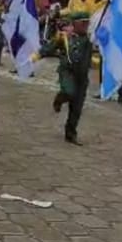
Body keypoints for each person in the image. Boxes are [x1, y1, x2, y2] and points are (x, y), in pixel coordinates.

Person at [40, 10, 93, 145]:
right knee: (68, 91)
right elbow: (50, 48)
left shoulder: (89, 39)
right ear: (75, 24)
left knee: (77, 107)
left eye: (87, 23)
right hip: (67, 72)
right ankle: (59, 99)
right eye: (83, 23)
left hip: (82, 76)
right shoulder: (65, 37)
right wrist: (39, 54)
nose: (85, 25)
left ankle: (70, 133)